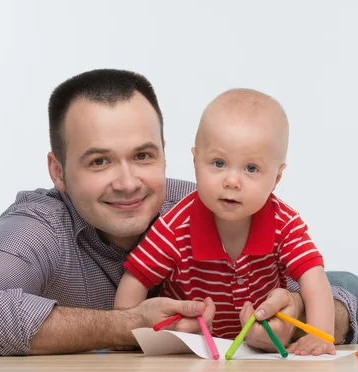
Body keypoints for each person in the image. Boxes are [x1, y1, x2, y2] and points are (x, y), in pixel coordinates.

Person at [0, 69, 358, 356]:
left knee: (349, 285)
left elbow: (313, 280)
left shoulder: (200, 198)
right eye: (99, 161)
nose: (128, 181)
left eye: (143, 156)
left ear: (169, 153)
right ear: (58, 170)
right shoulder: (39, 226)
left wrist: (296, 310)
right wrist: (123, 325)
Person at [115, 89, 335, 355]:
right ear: (195, 162)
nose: (232, 181)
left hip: (261, 353)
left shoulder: (284, 223)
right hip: (191, 353)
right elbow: (135, 278)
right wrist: (126, 338)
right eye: (218, 163)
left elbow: (314, 277)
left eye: (251, 168)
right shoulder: (174, 226)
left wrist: (321, 335)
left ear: (276, 178)